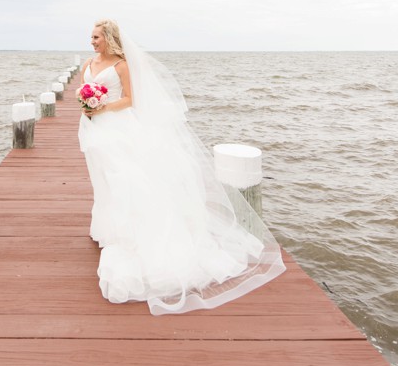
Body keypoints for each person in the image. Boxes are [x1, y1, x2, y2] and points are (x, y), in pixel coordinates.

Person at [77, 18, 286, 315]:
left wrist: (102, 106)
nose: (92, 41)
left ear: (109, 38)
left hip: (117, 128)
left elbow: (129, 100)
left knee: (124, 176)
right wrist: (87, 105)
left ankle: (131, 230)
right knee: (103, 178)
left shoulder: (122, 65)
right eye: (91, 36)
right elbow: (85, 88)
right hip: (91, 129)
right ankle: (107, 226)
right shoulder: (89, 61)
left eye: (96, 37)